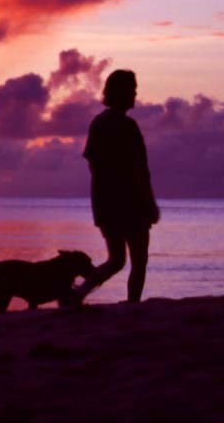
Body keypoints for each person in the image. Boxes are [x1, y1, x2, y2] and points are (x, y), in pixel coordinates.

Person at [72, 69, 159, 304]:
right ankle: (132, 305)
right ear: (122, 93)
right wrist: (149, 203)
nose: (135, 95)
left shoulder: (99, 123)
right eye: (132, 90)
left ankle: (78, 294)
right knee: (138, 260)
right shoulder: (127, 127)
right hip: (130, 203)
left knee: (117, 260)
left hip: (107, 203)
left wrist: (103, 196)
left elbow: (93, 164)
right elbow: (139, 170)